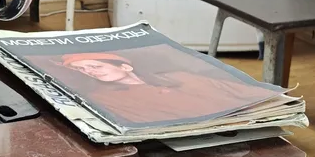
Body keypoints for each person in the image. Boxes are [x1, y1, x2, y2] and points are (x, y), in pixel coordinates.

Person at [52, 49, 278, 126]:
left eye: (93, 65)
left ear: (125, 66)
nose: (90, 71)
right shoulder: (105, 98)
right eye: (82, 70)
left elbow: (249, 96)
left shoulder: (181, 77)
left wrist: (279, 104)